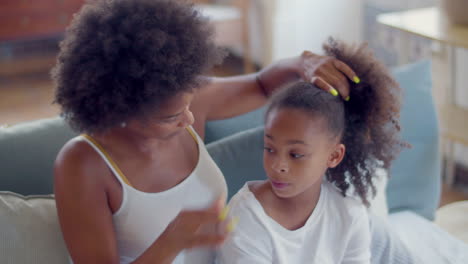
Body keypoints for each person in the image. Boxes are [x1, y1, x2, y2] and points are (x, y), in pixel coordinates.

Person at [52, 1, 359, 263]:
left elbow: (262, 85)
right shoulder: (82, 165)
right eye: (171, 116)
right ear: (121, 110)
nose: (189, 118)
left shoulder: (179, 96)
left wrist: (305, 63)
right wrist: (170, 241)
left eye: (189, 104)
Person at [216, 39, 406, 263]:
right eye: (270, 148)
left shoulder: (349, 215)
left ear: (334, 156)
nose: (278, 166)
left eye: (296, 154)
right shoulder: (245, 217)